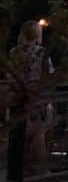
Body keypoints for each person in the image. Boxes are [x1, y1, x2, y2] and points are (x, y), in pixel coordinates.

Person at [10, 20, 55, 174]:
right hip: (37, 99)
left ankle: (19, 171)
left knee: (18, 135)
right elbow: (50, 75)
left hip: (17, 99)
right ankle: (42, 171)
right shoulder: (42, 53)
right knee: (39, 136)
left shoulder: (14, 52)